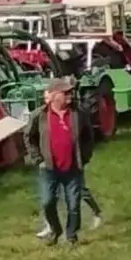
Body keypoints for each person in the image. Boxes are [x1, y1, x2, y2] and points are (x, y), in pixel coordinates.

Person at [24, 79, 95, 246]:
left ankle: (71, 236)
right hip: (48, 168)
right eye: (66, 93)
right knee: (47, 202)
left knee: (73, 204)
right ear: (54, 95)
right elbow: (28, 137)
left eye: (71, 92)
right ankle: (55, 230)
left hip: (73, 168)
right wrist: (37, 158)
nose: (70, 95)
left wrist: (84, 157)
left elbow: (88, 137)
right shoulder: (39, 115)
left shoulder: (79, 114)